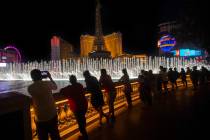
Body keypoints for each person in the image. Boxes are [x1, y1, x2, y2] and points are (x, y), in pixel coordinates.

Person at [28, 69, 60, 140]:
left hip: (40, 117)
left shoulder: (30, 88)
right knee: (55, 136)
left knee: (43, 137)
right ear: (41, 76)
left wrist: (40, 78)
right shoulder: (47, 83)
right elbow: (55, 87)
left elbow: (37, 86)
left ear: (31, 77)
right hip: (52, 114)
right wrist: (49, 77)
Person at [60, 75, 88, 140]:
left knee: (79, 121)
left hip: (77, 107)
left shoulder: (70, 88)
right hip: (84, 104)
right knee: (82, 119)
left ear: (70, 81)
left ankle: (85, 135)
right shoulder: (80, 85)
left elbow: (61, 91)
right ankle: (84, 134)